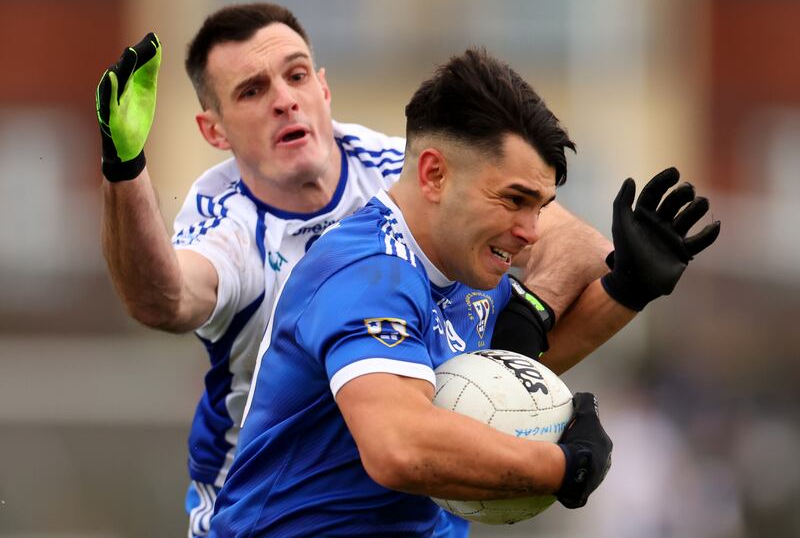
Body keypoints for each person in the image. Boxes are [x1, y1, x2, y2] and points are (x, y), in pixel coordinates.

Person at [94, 2, 661, 538]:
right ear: (214, 131)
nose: (285, 100)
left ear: (323, 86)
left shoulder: (423, 196)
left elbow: (558, 263)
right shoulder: (330, 254)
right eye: (251, 90)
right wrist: (560, 467)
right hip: (273, 505)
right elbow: (164, 300)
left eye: (295, 76)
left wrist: (617, 291)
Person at [208, 47, 720, 536]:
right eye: (514, 199)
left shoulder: (462, 272)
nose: (531, 231)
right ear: (434, 174)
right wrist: (561, 467)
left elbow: (497, 377)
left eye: (539, 206)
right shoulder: (368, 272)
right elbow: (398, 445)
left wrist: (628, 289)